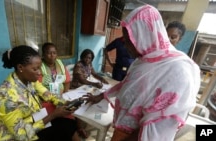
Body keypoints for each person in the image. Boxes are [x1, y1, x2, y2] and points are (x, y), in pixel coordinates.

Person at [83, 4, 200, 141]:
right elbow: (127, 84)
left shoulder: (179, 70)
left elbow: (161, 123)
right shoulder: (143, 60)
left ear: (145, 35)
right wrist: (102, 96)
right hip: (122, 131)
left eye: (130, 41)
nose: (126, 46)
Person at [0, 45, 80, 141]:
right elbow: (22, 135)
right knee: (61, 130)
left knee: (68, 124)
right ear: (20, 67)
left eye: (39, 68)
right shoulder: (4, 97)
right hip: (11, 137)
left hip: (30, 125)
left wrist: (65, 103)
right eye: (35, 69)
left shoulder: (29, 81)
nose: (39, 73)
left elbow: (48, 95)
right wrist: (53, 115)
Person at [38, 42, 87, 139]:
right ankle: (73, 131)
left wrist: (65, 93)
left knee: (75, 107)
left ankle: (78, 128)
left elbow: (67, 80)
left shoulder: (60, 64)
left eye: (54, 53)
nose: (52, 55)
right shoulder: (39, 67)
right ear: (43, 54)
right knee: (60, 117)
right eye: (49, 53)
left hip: (60, 96)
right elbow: (38, 87)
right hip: (46, 99)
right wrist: (50, 98)